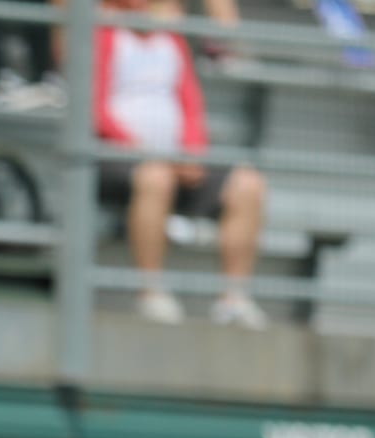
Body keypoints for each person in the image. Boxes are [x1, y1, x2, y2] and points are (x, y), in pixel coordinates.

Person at [92, 0, 268, 328]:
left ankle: (234, 300)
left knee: (247, 184)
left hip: (174, 161)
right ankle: (151, 293)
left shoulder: (172, 38)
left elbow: (190, 104)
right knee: (155, 177)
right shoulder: (104, 34)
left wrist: (192, 152)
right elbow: (95, 109)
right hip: (117, 159)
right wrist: (139, 151)